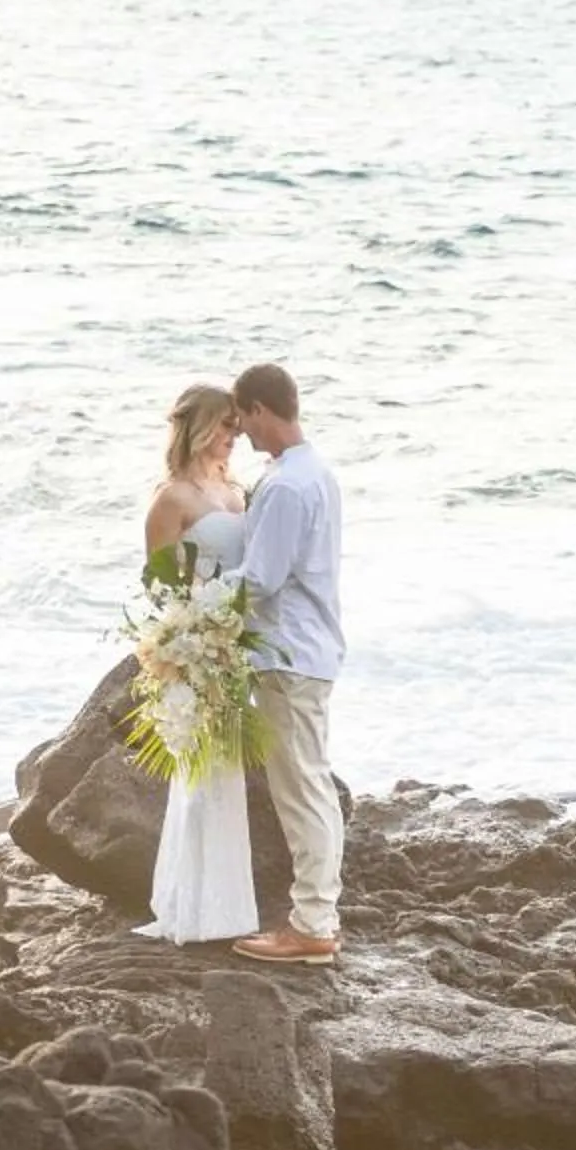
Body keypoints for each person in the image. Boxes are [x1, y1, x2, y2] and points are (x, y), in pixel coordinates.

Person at [131, 383, 260, 945]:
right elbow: (160, 587)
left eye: (237, 426)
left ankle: (229, 909)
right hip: (196, 649)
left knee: (227, 776)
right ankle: (192, 907)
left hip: (234, 646)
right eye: (227, 426)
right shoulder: (172, 499)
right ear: (201, 426)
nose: (236, 436)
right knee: (200, 778)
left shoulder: (234, 491)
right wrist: (187, 643)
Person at [226, 363, 346, 966]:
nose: (242, 433)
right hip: (311, 648)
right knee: (312, 785)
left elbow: (260, 580)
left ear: (259, 410)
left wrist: (198, 606)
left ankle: (311, 925)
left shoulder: (284, 486)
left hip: (289, 652)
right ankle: (317, 915)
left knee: (301, 791)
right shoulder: (315, 472)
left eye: (243, 419)